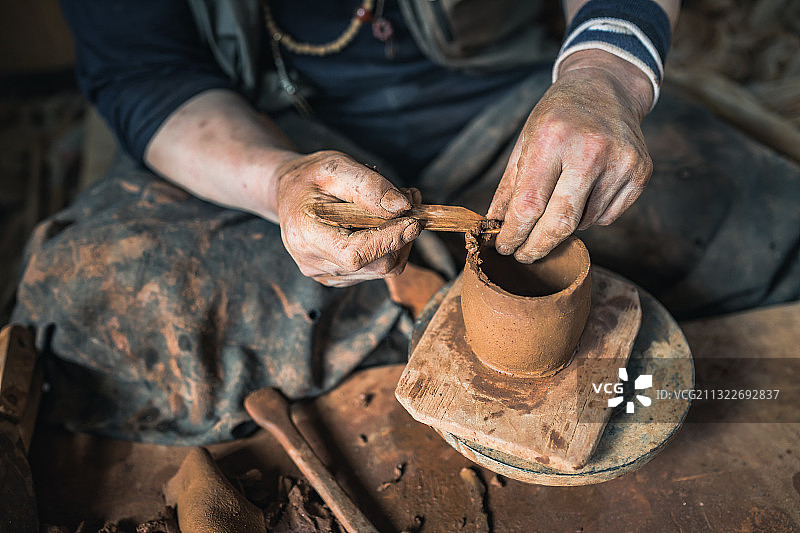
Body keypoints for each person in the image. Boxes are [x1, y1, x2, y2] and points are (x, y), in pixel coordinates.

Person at [11, 0, 799, 446]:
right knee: (86, 308)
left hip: (521, 105)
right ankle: (445, 319)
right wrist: (279, 182)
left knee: (768, 223)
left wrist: (604, 77)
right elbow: (145, 75)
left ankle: (407, 321)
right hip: (269, 134)